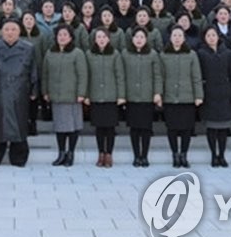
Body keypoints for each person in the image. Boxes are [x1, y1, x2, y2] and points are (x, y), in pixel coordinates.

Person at [0, 19, 38, 167]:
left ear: (19, 32)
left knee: (19, 125)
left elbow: (33, 71)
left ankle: (19, 158)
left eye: (13, 30)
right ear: (2, 31)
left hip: (20, 92)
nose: (10, 33)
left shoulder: (28, 48)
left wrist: (34, 90)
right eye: (7, 30)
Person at [40, 24, 88, 167]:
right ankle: (61, 152)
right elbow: (45, 74)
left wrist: (81, 93)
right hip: (56, 95)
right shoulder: (50, 53)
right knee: (60, 127)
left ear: (71, 37)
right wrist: (45, 91)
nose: (62, 37)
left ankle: (70, 153)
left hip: (72, 95)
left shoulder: (77, 53)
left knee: (73, 126)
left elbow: (82, 75)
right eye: (60, 35)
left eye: (65, 35)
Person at [159, 27, 204, 168]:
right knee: (171, 127)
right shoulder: (164, 55)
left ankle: (184, 154)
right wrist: (159, 94)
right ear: (170, 38)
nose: (177, 38)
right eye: (174, 35)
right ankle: (175, 154)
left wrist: (198, 95)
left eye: (180, 35)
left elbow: (196, 77)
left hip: (187, 97)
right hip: (170, 97)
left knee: (186, 128)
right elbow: (160, 77)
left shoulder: (191, 55)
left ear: (184, 38)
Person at [197, 26, 231, 167]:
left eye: (213, 35)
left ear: (218, 36)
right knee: (211, 127)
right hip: (209, 93)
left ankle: (222, 154)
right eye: (208, 35)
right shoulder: (201, 54)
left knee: (223, 127)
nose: (211, 38)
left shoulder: (228, 53)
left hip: (225, 93)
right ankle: (213, 155)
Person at [122, 26, 163, 167]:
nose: (139, 40)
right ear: (132, 39)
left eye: (142, 37)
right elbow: (121, 76)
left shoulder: (152, 54)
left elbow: (157, 75)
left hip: (147, 96)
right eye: (136, 37)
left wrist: (157, 92)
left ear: (146, 39)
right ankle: (136, 156)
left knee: (146, 128)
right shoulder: (125, 54)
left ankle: (144, 156)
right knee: (134, 128)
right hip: (132, 96)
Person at [85, 28, 126, 167]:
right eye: (99, 37)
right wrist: (86, 94)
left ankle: (109, 154)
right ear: (95, 39)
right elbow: (87, 76)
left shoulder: (115, 54)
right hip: (96, 95)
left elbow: (120, 76)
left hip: (111, 96)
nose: (101, 39)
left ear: (108, 39)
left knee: (109, 128)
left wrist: (121, 95)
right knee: (99, 128)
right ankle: (101, 153)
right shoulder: (89, 54)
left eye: (104, 37)